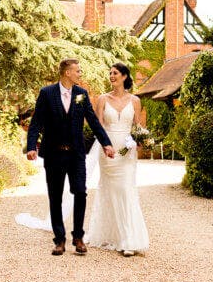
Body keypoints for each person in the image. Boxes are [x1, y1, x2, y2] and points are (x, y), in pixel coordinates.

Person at [26, 58, 116, 256]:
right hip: (53, 153)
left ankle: (78, 236)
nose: (80, 74)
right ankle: (59, 239)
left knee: (80, 192)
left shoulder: (81, 95)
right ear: (67, 72)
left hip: (76, 154)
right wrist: (31, 146)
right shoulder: (47, 93)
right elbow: (36, 122)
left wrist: (106, 143)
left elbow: (93, 121)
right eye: (77, 71)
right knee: (55, 197)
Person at [84, 62, 150, 257]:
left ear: (124, 76)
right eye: (110, 73)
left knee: (126, 190)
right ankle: (112, 234)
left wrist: (140, 140)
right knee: (110, 190)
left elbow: (138, 126)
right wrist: (105, 145)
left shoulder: (135, 100)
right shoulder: (103, 99)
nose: (111, 76)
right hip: (108, 149)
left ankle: (129, 239)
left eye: (115, 73)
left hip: (127, 151)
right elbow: (98, 126)